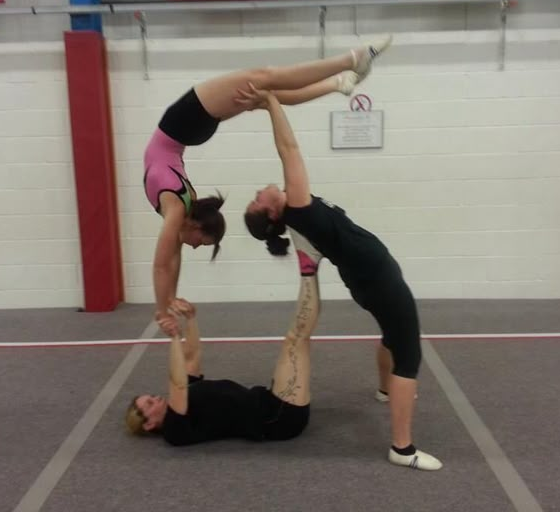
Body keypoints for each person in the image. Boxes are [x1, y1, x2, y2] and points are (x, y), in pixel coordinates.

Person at [239, 85, 442, 471]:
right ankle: (402, 449)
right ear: (271, 213)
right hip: (377, 280)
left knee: (392, 334)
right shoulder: (297, 207)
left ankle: (386, 390)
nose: (258, 191)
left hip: (370, 278)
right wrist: (270, 104)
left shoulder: (297, 213)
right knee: (409, 355)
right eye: (257, 199)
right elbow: (289, 150)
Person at [144, 35, 393, 336]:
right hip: (186, 130)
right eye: (202, 244)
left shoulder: (174, 207)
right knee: (264, 89)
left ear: (197, 226)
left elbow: (163, 264)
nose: (194, 246)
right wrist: (168, 299)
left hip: (181, 124)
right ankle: (339, 80)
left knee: (264, 80)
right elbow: (172, 257)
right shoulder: (183, 203)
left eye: (200, 242)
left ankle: (351, 63)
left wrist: (162, 309)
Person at [125, 232, 323, 445]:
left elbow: (191, 358)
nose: (156, 398)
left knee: (297, 341)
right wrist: (174, 337)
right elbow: (178, 383)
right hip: (277, 419)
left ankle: (311, 263)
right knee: (297, 340)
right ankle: (309, 264)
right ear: (148, 424)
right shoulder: (175, 429)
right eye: (150, 404)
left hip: (269, 400)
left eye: (151, 397)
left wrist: (190, 319)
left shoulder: (183, 401)